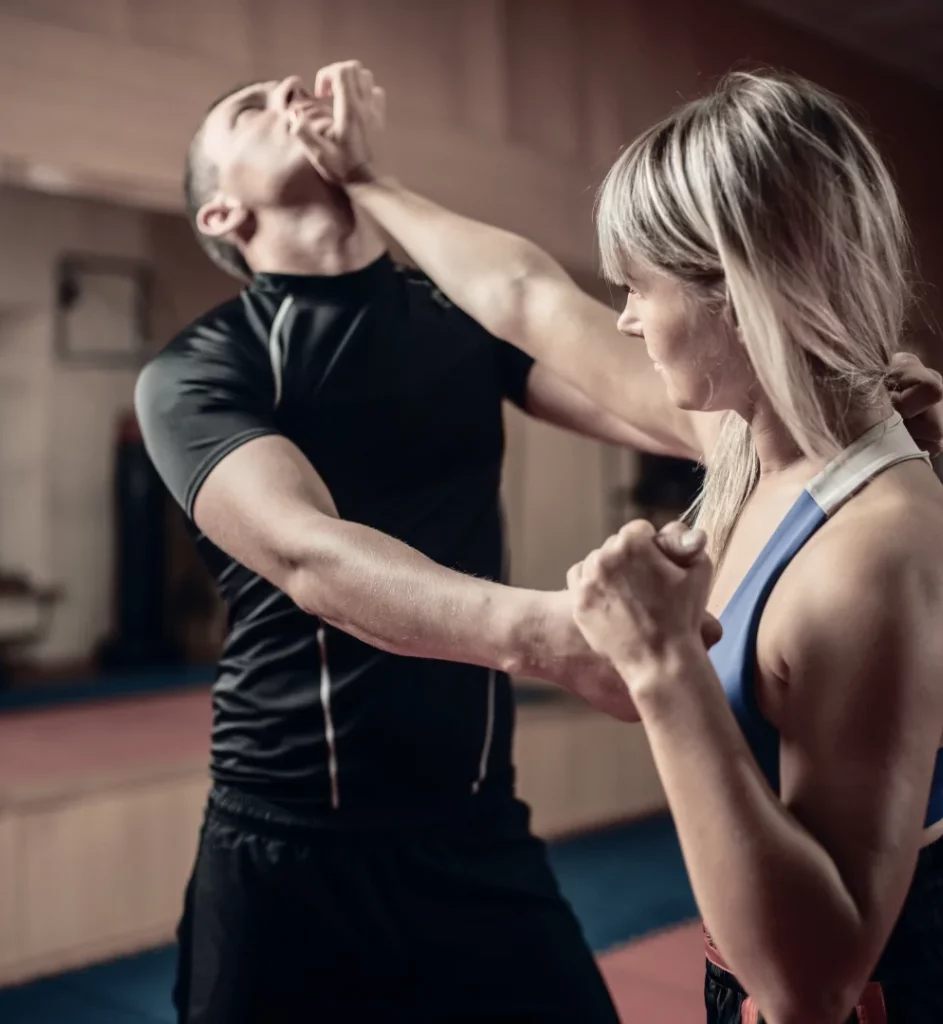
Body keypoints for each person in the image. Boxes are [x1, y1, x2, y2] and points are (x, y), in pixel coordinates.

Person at [301, 65, 943, 1023]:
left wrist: (663, 665)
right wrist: (367, 181)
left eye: (635, 287)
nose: (620, 318)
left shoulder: (879, 553)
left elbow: (812, 984)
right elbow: (529, 298)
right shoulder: (747, 446)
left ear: (737, 290)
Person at [136, 70, 738, 1024]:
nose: (289, 92)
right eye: (251, 108)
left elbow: (684, 416)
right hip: (286, 847)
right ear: (222, 211)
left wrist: (840, 402)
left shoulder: (456, 317)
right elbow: (311, 557)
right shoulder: (198, 370)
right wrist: (553, 635)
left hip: (474, 830)